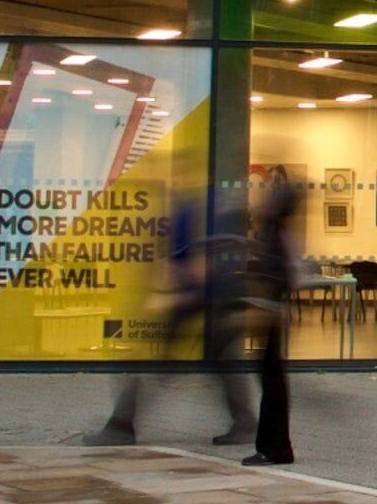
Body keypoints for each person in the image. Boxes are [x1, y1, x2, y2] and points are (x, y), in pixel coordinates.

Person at [84, 178, 253, 450]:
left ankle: (121, 425)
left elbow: (197, 265)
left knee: (158, 361)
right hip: (205, 299)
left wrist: (170, 296)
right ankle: (244, 421)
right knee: (218, 361)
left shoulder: (190, 209)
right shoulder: (192, 207)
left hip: (198, 299)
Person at [226, 167, 306, 466]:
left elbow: (275, 275)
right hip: (272, 310)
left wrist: (263, 311)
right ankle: (275, 446)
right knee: (273, 379)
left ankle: (274, 448)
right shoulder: (281, 232)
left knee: (272, 380)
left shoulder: (273, 231)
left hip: (269, 312)